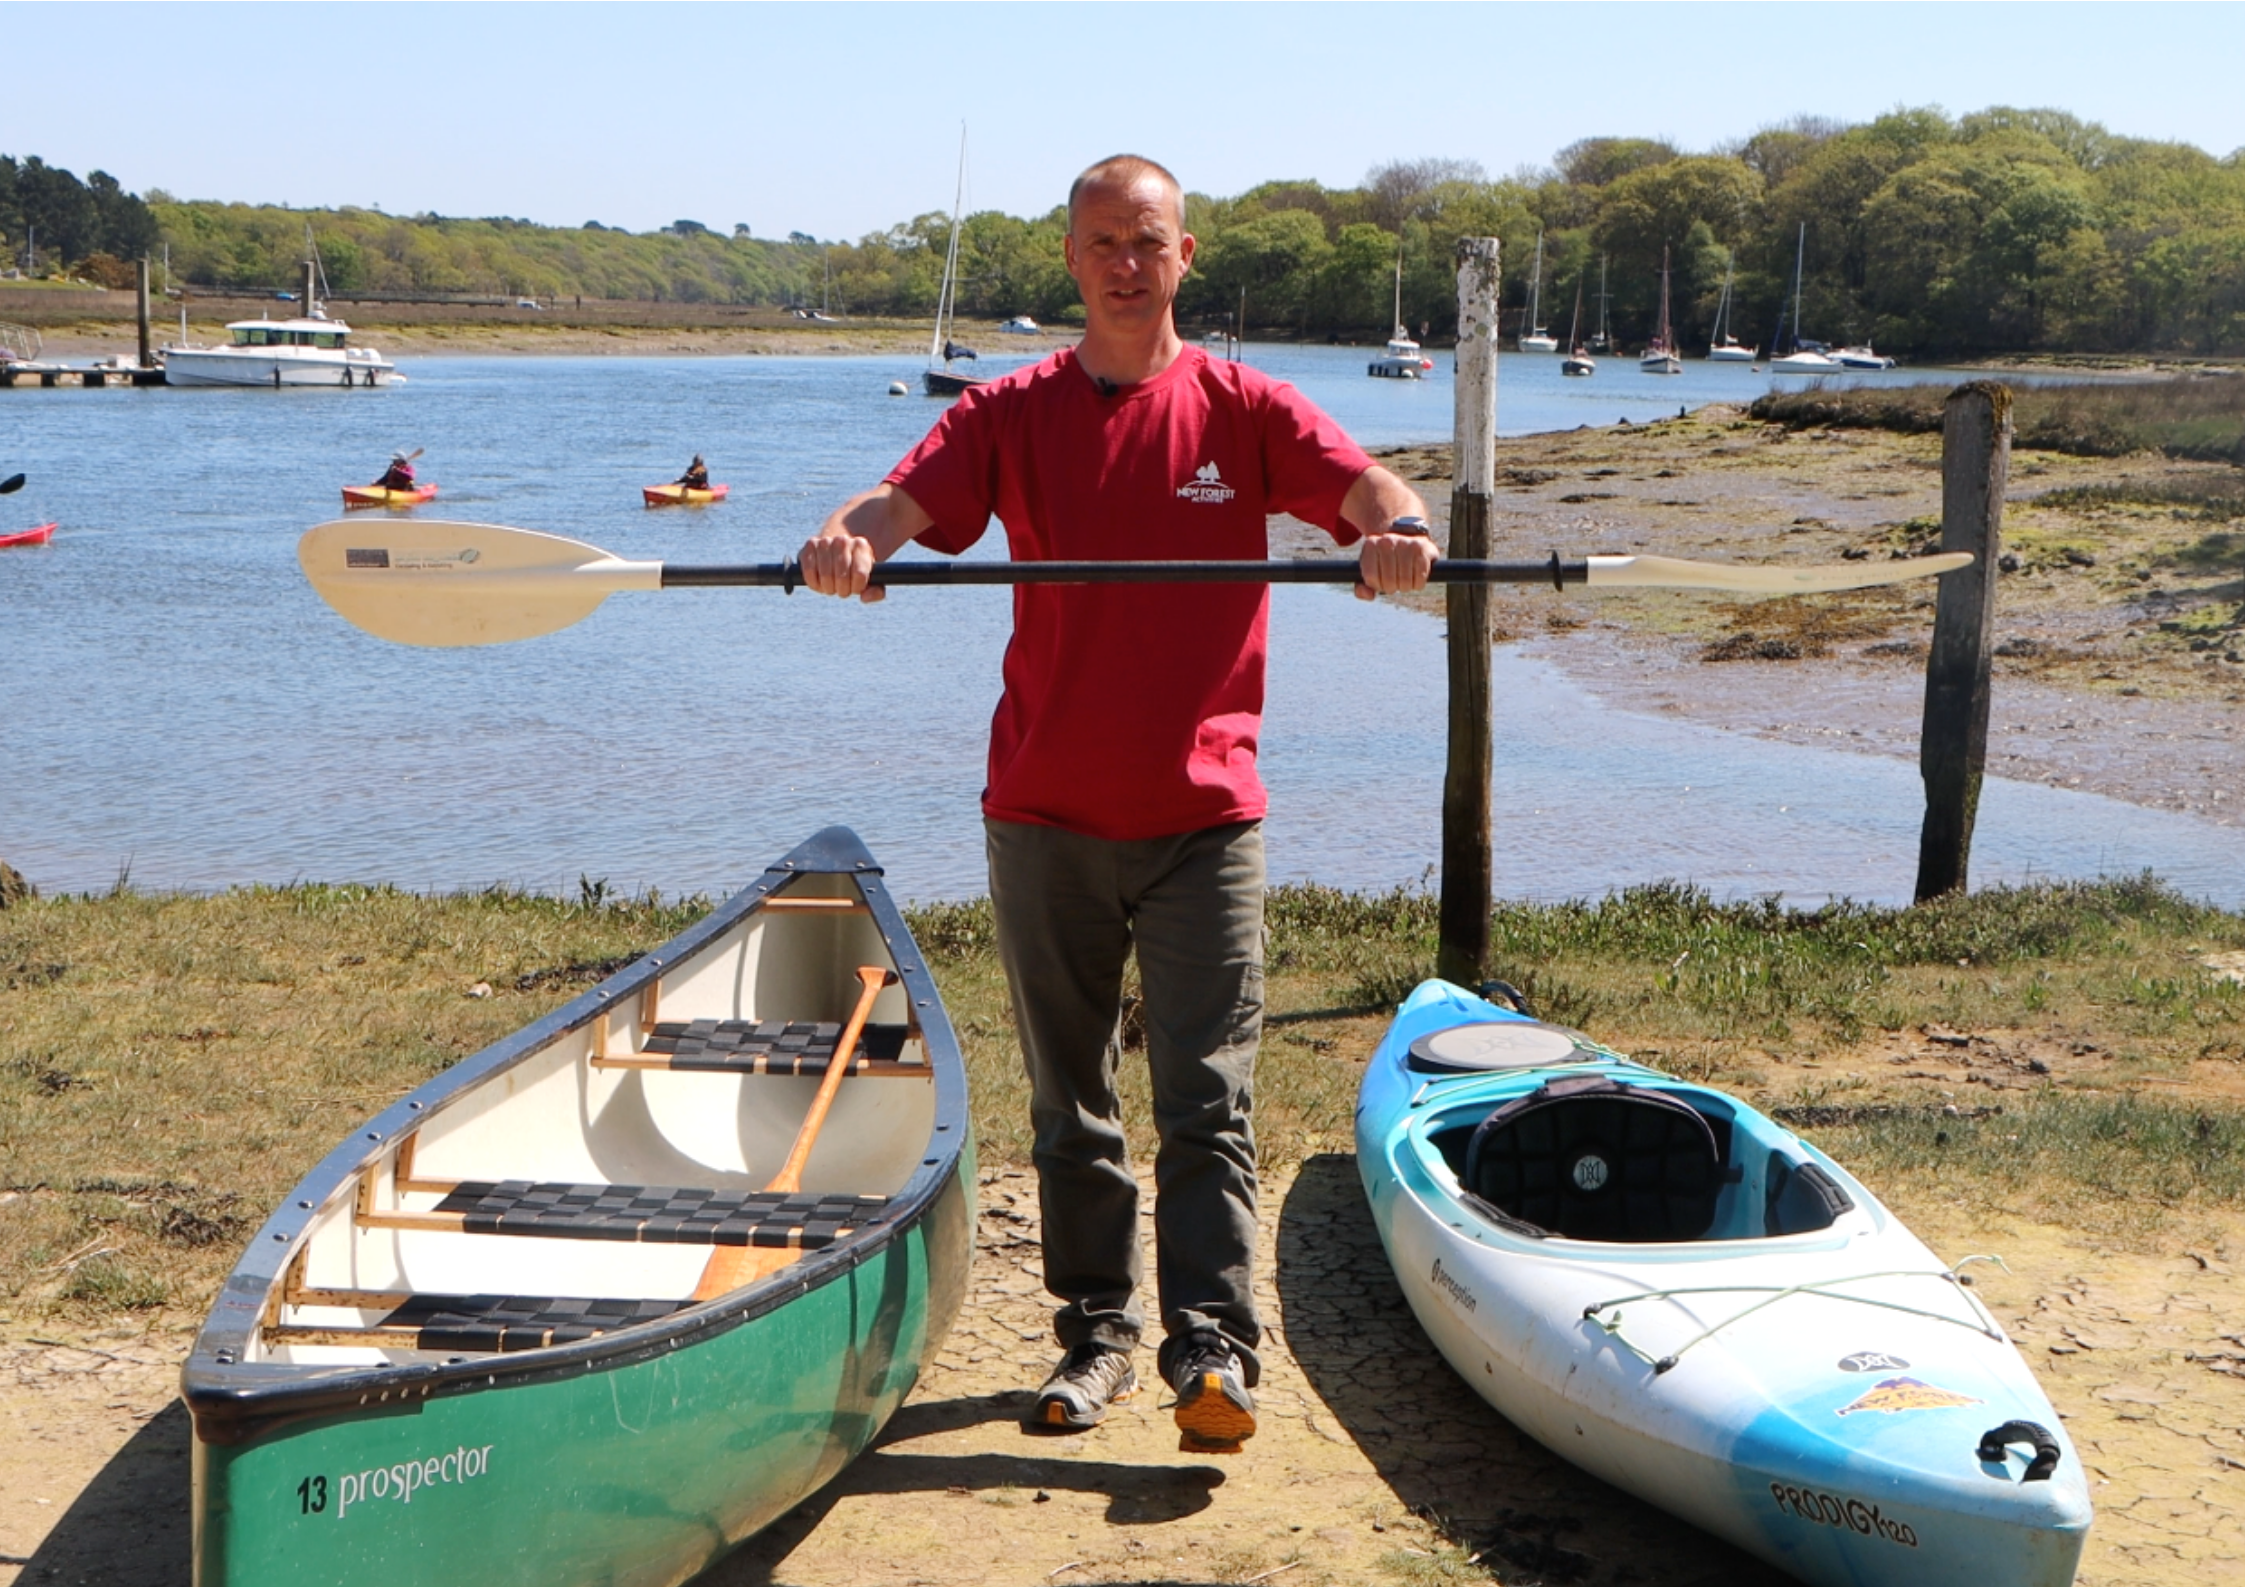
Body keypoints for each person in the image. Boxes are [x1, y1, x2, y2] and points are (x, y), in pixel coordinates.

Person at [798, 154, 1434, 1454]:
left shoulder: (1246, 407)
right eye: (1102, 242)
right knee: (1070, 1102)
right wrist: (850, 538)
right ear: (1073, 260)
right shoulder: (1011, 411)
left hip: (1207, 820)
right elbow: (901, 501)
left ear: (1182, 254)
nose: (1125, 263)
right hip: (1042, 818)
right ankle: (1095, 1338)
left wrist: (1398, 529)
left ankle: (1214, 1345)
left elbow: (1369, 491)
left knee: (1207, 1097)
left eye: (1146, 240)